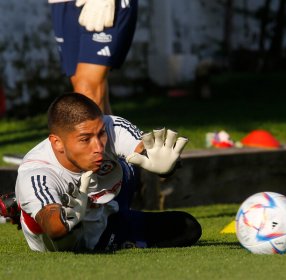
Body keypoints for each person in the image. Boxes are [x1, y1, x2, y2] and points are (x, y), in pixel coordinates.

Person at [14, 93, 202, 252]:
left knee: (188, 225)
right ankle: (25, 206)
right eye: (85, 139)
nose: (98, 147)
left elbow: (147, 150)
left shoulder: (112, 126)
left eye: (100, 133)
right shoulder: (36, 173)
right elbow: (53, 227)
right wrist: (69, 217)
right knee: (187, 229)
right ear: (57, 143)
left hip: (111, 198)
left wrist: (166, 166)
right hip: (93, 231)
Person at [48, 0, 138, 113]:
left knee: (86, 91)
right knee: (86, 93)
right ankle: (108, 131)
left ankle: (92, 131)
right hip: (62, 4)